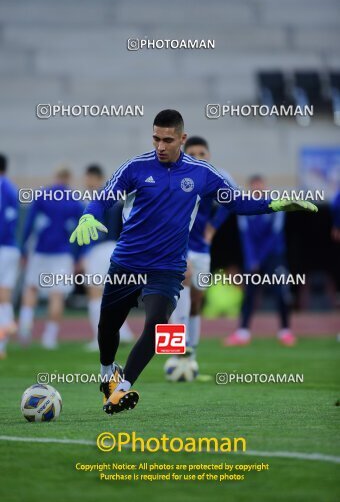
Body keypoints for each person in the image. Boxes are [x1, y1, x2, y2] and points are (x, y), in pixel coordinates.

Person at [69, 109, 317, 415]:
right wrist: (88, 215)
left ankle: (125, 388)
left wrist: (275, 203)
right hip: (128, 262)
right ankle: (108, 372)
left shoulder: (201, 174)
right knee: (108, 328)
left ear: (181, 139)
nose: (160, 145)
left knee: (161, 324)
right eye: (156, 138)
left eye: (167, 139)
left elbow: (237, 201)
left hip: (168, 267)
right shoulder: (135, 167)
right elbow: (104, 196)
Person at [170, 136, 231, 359]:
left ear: (209, 155)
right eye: (192, 154)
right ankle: (177, 352)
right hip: (176, 245)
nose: (197, 158)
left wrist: (213, 227)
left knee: (196, 302)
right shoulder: (174, 176)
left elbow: (232, 200)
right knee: (177, 288)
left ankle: (190, 358)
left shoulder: (215, 176)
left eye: (201, 154)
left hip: (201, 248)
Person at [224, 175, 295, 346]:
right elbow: (245, 236)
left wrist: (260, 259)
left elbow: (274, 234)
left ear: (265, 187)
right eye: (254, 187)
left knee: (282, 292)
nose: (257, 190)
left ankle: (285, 331)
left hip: (274, 256)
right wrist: (252, 260)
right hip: (254, 257)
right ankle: (243, 332)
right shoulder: (244, 208)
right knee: (249, 293)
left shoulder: (277, 204)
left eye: (260, 186)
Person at [18, 168, 83, 349]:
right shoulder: (74, 201)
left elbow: (29, 223)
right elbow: (80, 232)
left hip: (41, 251)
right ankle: (50, 337)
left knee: (31, 289)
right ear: (68, 178)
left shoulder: (42, 195)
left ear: (55, 177)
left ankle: (24, 328)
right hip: (63, 254)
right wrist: (78, 256)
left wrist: (23, 249)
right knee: (57, 295)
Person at [81, 164, 134, 351]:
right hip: (117, 249)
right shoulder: (117, 199)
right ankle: (124, 332)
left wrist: (83, 254)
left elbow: (93, 232)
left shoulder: (96, 200)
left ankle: (100, 338)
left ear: (95, 178)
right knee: (113, 295)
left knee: (95, 295)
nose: (86, 182)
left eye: (88, 178)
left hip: (99, 251)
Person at [0, 154, 20, 358]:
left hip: (2, 247)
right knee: (4, 294)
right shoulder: (12, 188)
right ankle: (2, 346)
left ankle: (7, 323)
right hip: (11, 248)